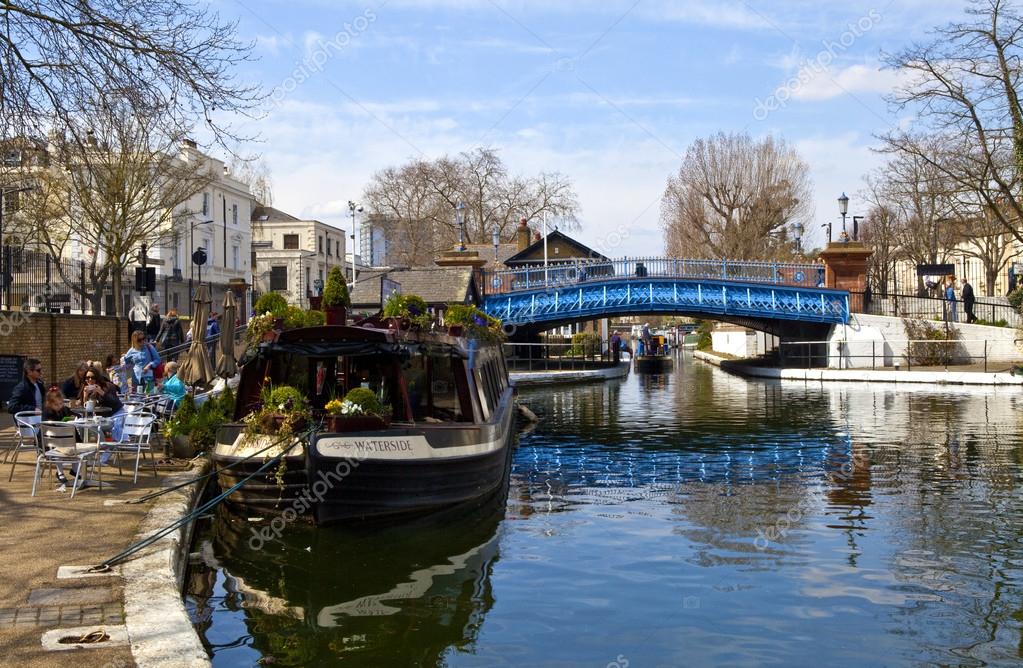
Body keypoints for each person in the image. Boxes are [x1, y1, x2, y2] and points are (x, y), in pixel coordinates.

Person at [80, 370, 126, 449]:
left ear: (97, 378)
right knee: (83, 424)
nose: (90, 380)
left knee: (103, 428)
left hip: (115, 414)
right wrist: (85, 396)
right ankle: (103, 446)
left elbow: (114, 401)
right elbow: (86, 409)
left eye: (92, 377)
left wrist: (100, 391)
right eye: (87, 378)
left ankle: (107, 447)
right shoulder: (87, 389)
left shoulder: (108, 386)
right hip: (101, 418)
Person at [123, 329, 161, 393]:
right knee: (137, 397)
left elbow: (157, 360)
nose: (143, 341)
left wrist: (149, 365)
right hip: (136, 378)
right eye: (139, 340)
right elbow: (125, 364)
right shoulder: (131, 351)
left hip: (149, 377)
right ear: (135, 341)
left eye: (143, 338)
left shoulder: (149, 347)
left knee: (149, 396)